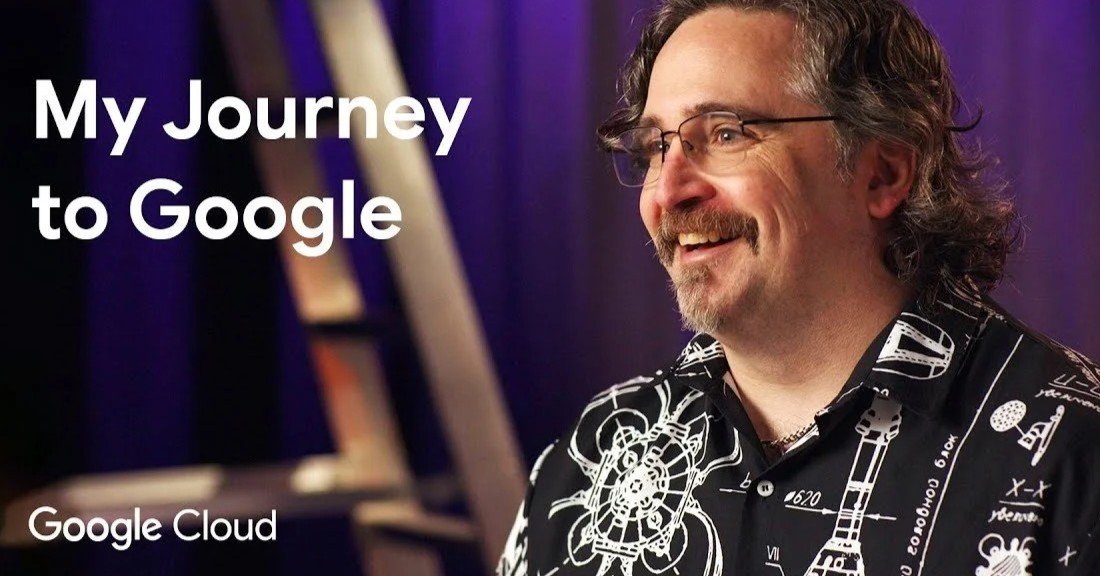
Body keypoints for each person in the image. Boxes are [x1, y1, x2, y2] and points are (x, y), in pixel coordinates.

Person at [496, 1, 1100, 575]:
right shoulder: (587, 462)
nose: (668, 192)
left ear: (883, 173)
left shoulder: (1070, 454)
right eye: (658, 146)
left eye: (727, 133)